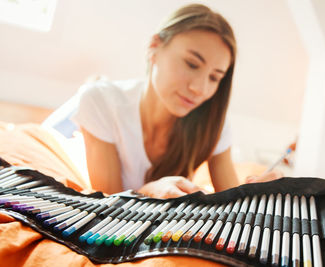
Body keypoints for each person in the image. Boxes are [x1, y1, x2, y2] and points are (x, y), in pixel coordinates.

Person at [70, 4, 282, 198]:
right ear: (154, 47)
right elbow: (107, 212)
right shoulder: (99, 101)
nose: (199, 89)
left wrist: (256, 198)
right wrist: (147, 192)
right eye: (191, 64)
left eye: (214, 77)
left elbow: (232, 205)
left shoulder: (213, 122)